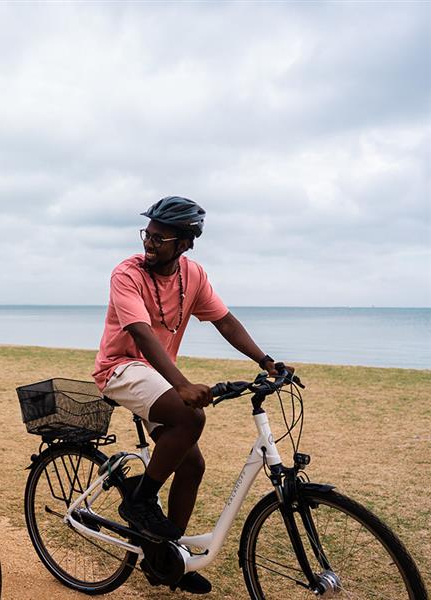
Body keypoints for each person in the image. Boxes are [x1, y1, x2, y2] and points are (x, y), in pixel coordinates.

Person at [93, 197, 289, 595]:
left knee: (192, 465)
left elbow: (225, 321)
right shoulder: (126, 274)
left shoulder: (193, 276)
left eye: (159, 238)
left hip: (154, 376)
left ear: (184, 243)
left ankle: (165, 559)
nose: (149, 243)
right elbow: (141, 334)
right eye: (148, 234)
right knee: (191, 417)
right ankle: (140, 501)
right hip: (120, 369)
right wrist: (181, 385)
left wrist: (266, 361)